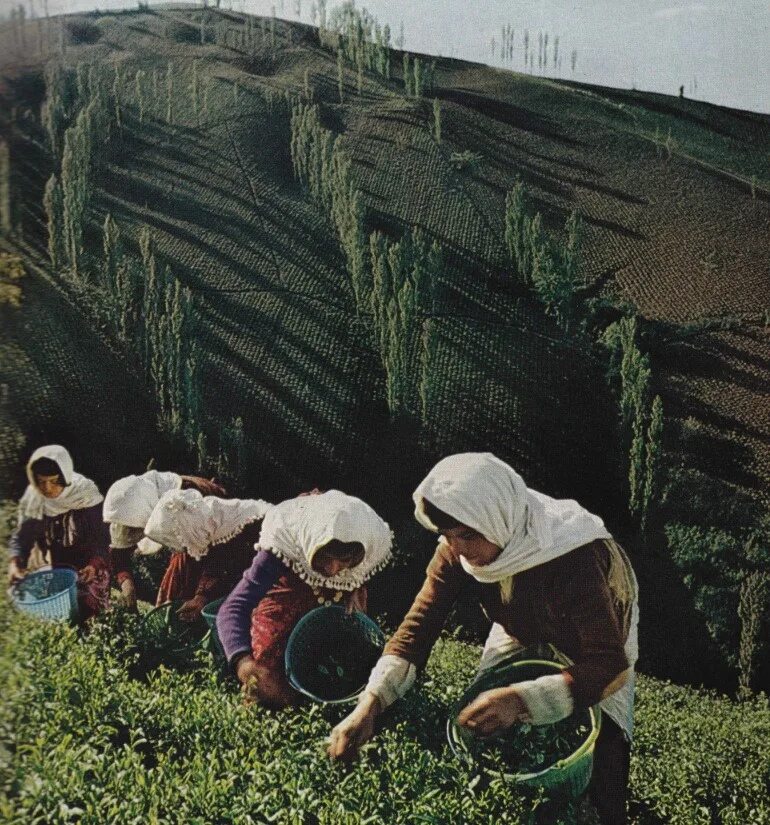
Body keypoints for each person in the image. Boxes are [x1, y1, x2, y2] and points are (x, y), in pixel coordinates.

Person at [328, 453, 639, 825]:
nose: (456, 547)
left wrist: (522, 698)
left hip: (588, 636)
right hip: (517, 622)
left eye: (467, 535)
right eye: (446, 534)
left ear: (498, 522)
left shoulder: (573, 559)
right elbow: (418, 627)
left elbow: (609, 666)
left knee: (604, 755)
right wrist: (370, 704)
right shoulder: (457, 552)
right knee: (483, 722)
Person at [216, 489, 392, 708]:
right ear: (311, 546)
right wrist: (242, 662)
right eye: (325, 558)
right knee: (269, 691)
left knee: (345, 679)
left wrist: (354, 585)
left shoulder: (361, 545)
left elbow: (357, 573)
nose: (334, 569)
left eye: (344, 561)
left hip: (323, 621)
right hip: (281, 613)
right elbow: (233, 607)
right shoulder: (284, 546)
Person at [7, 445, 111, 622]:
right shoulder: (35, 499)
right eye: (41, 482)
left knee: (92, 615)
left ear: (65, 477)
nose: (47, 488)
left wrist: (94, 564)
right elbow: (23, 536)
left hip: (92, 561)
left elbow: (102, 537)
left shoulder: (84, 494)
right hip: (60, 563)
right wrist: (16, 562)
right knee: (65, 613)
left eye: (54, 481)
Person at [142, 488, 273, 622]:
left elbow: (226, 563)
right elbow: (215, 564)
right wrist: (201, 597)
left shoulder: (230, 524)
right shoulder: (206, 522)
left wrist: (202, 596)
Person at [103, 470, 226, 610]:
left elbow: (219, 555)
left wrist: (201, 596)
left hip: (222, 539)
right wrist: (127, 584)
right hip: (190, 545)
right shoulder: (133, 501)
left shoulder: (190, 502)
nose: (132, 532)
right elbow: (119, 551)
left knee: (204, 603)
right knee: (171, 601)